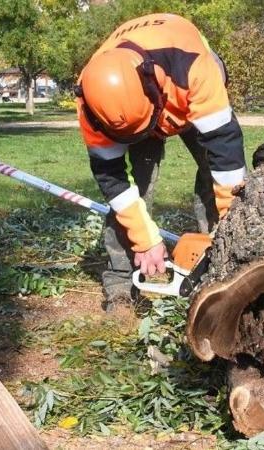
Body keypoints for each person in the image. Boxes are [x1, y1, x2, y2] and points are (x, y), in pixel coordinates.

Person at [75, 13, 246, 309]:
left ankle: (225, 268)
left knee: (215, 178)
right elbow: (112, 179)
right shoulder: (90, 98)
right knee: (132, 196)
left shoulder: (193, 65)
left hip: (185, 95)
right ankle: (120, 286)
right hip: (144, 104)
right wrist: (144, 239)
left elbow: (226, 157)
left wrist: (235, 220)